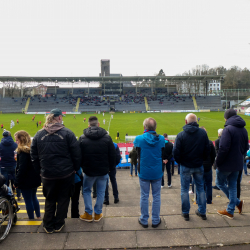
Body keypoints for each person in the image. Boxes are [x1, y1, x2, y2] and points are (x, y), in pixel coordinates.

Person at [31, 108, 81, 233]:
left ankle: (48, 225)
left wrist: (40, 171)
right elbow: (76, 155)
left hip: (47, 174)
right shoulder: (68, 133)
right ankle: (59, 224)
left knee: (50, 199)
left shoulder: (39, 134)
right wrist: (75, 169)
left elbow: (34, 156)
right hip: (66, 174)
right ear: (59, 118)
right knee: (64, 198)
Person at [79, 116, 116, 222]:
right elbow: (112, 155)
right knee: (101, 192)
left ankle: (88, 213)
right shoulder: (107, 138)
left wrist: (82, 166)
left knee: (86, 190)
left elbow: (78, 155)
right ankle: (98, 213)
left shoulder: (82, 138)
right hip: (103, 170)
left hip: (89, 170)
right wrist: (110, 168)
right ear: (98, 124)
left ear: (89, 125)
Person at [173, 113, 210, 221]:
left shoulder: (181, 135)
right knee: (200, 189)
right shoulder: (203, 133)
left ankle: (185, 213)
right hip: (198, 165)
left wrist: (181, 162)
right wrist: (201, 159)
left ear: (186, 121)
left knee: (184, 189)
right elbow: (207, 150)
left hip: (186, 165)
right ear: (196, 122)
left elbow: (176, 152)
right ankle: (202, 212)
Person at [215, 109, 249, 219]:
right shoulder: (244, 130)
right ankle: (231, 209)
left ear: (226, 118)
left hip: (226, 164)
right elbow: (246, 148)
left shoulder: (228, 129)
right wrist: (239, 157)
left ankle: (236, 203)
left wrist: (217, 162)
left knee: (219, 183)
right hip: (238, 164)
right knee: (233, 186)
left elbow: (223, 148)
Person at [134, 117, 165, 228]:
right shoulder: (161, 139)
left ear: (144, 127)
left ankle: (144, 219)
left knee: (144, 196)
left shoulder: (139, 139)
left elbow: (136, 151)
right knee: (156, 196)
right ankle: (155, 220)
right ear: (155, 127)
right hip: (157, 171)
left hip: (144, 172)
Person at [14, 130, 41, 219]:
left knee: (28, 200)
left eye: (17, 140)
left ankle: (31, 218)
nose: (16, 142)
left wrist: (16, 182)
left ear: (21, 140)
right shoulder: (33, 149)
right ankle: (38, 216)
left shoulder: (22, 152)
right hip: (34, 178)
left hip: (26, 180)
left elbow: (21, 169)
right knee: (34, 197)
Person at [200, 127, 216, 204]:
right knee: (208, 184)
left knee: (200, 184)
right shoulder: (209, 142)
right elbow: (213, 154)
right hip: (207, 167)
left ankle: (200, 200)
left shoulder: (197, 142)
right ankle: (209, 200)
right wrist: (211, 163)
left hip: (200, 166)